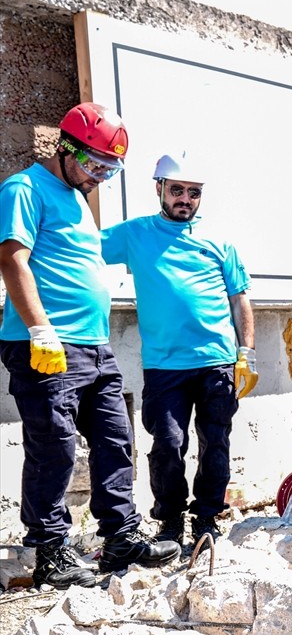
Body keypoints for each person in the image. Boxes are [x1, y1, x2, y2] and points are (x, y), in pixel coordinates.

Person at [0, 103, 180, 589]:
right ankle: (50, 551)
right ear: (64, 147)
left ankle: (121, 536)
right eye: (94, 164)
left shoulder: (77, 197)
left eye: (110, 169)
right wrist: (40, 330)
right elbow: (12, 259)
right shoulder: (24, 189)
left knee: (116, 440)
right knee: (54, 447)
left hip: (94, 345)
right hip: (47, 344)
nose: (99, 175)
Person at [100, 152, 256, 547]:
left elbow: (240, 299)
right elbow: (82, 248)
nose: (185, 199)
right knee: (167, 444)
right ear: (160, 188)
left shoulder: (219, 242)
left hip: (218, 362)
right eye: (177, 190)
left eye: (193, 192)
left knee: (215, 443)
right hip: (164, 366)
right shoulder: (134, 234)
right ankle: (169, 519)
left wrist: (247, 354)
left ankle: (206, 517)